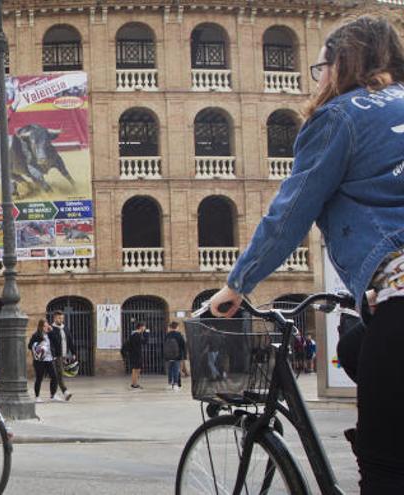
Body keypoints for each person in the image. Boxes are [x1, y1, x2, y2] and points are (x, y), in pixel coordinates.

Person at [208, 15, 404, 493]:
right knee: (356, 346)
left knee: (385, 471)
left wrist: (237, 285)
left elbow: (290, 213)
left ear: (340, 64)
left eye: (321, 66)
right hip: (387, 305)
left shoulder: (340, 117)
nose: (318, 77)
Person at [29, 319, 58, 403]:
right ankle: (37, 397)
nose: (46, 328)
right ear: (40, 327)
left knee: (54, 377)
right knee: (39, 378)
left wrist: (52, 332)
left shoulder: (49, 335)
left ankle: (53, 395)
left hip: (49, 359)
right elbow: (30, 345)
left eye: (47, 326)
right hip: (39, 360)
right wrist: (38, 347)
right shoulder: (36, 335)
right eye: (44, 326)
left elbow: (57, 342)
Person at [48, 311, 74, 401]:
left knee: (57, 375)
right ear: (55, 318)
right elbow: (51, 343)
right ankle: (65, 392)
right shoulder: (51, 329)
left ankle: (53, 394)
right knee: (58, 374)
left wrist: (73, 353)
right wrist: (53, 354)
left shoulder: (65, 328)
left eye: (62, 318)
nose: (61, 320)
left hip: (63, 355)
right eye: (59, 318)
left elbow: (70, 341)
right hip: (55, 356)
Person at [164, 322, 186, 391]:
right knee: (176, 370)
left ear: (170, 327)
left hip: (168, 356)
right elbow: (183, 346)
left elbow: (164, 345)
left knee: (170, 370)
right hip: (177, 356)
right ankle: (176, 384)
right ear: (177, 327)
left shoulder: (167, 335)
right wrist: (184, 356)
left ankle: (170, 384)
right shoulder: (179, 335)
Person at [126, 322, 146, 389]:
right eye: (144, 327)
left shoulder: (133, 334)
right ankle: (134, 384)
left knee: (136, 369)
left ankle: (134, 383)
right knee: (136, 369)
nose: (145, 328)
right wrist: (146, 334)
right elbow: (143, 342)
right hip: (136, 355)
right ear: (141, 327)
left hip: (134, 354)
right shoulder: (136, 335)